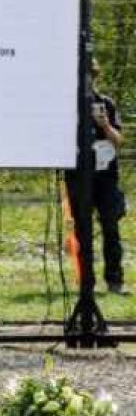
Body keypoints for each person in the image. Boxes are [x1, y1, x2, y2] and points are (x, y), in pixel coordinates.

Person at [89, 64, 125, 294]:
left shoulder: (107, 104)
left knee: (111, 227)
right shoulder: (70, 104)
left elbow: (118, 140)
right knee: (82, 229)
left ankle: (114, 281)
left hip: (106, 176)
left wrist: (105, 125)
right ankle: (86, 282)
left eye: (90, 75)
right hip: (80, 176)